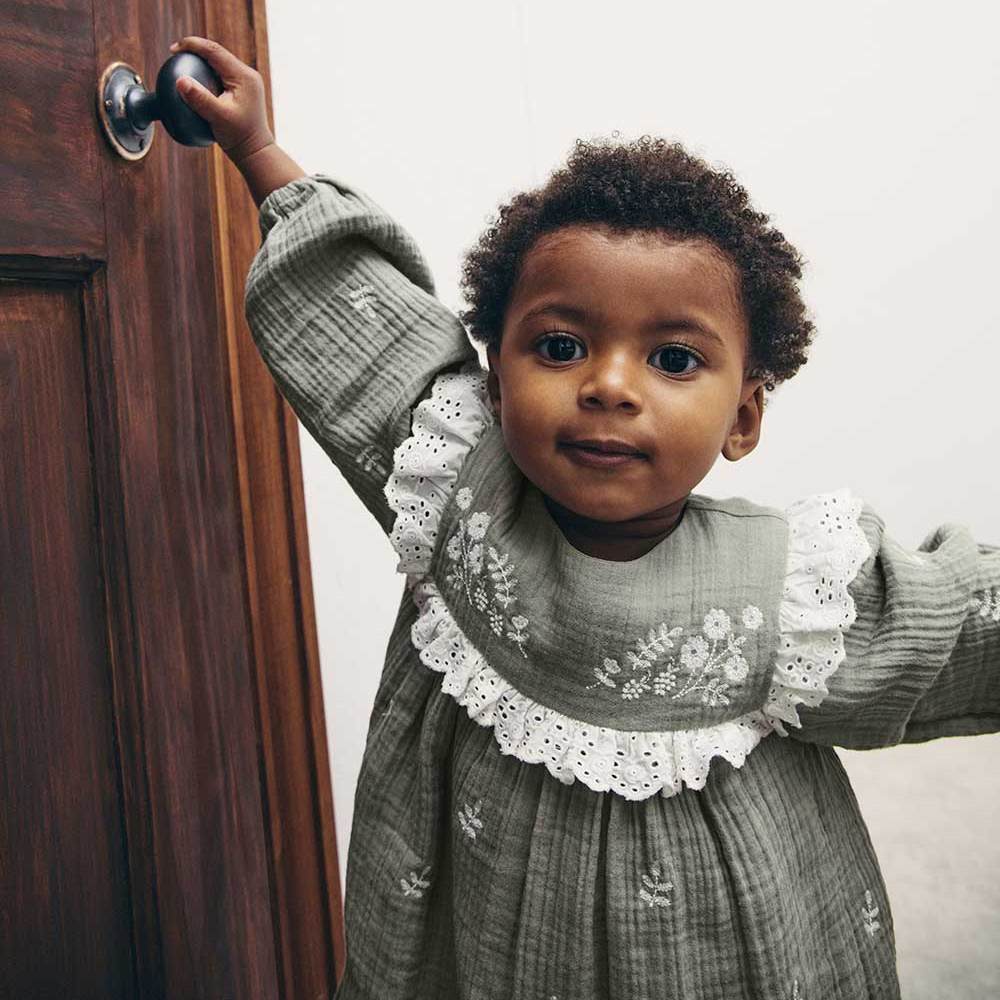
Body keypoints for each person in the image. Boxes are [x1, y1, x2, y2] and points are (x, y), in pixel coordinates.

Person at [173, 35, 1000, 1000]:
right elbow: (360, 321)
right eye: (561, 345)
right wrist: (260, 152)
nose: (609, 386)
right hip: (484, 925)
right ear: (495, 375)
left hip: (726, 952)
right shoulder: (458, 482)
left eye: (675, 360)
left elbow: (949, 626)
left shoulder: (791, 595)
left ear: (744, 418)